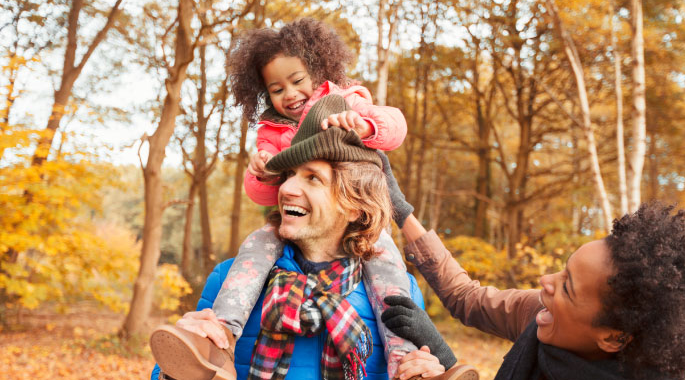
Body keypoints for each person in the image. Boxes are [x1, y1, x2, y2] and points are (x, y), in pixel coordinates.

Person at [150, 96, 477, 380]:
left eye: (313, 178)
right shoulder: (228, 278)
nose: (288, 189)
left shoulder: (400, 291)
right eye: (289, 175)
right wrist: (177, 369)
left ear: (354, 206)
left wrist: (426, 369)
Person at [379, 155, 685, 380]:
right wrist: (402, 211)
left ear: (613, 338)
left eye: (568, 287)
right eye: (563, 270)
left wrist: (447, 364)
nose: (546, 280)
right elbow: (466, 296)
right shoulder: (544, 316)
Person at [213, 17, 415, 375]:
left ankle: (406, 360)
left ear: (318, 71)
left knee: (386, 264)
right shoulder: (271, 131)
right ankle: (219, 337)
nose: (289, 94)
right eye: (276, 89)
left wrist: (365, 125)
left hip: (367, 229)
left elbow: (394, 126)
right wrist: (260, 170)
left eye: (297, 81)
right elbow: (261, 194)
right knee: (257, 245)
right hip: (278, 234)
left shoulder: (346, 100)